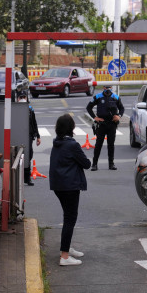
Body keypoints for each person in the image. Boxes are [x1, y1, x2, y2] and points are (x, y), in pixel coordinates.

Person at [49, 114, 92, 266]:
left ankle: (65, 249)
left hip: (58, 185)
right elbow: (86, 164)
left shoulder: (57, 143)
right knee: (70, 219)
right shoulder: (72, 145)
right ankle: (65, 257)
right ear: (72, 128)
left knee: (68, 217)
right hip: (70, 185)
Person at [86, 85, 125, 170]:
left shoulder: (115, 97)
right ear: (103, 88)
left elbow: (122, 108)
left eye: (109, 87)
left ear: (112, 88)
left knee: (111, 145)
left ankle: (111, 164)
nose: (108, 89)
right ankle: (94, 164)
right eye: (106, 87)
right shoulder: (98, 97)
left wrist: (119, 116)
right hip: (101, 124)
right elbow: (89, 107)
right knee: (98, 144)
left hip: (112, 124)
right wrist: (95, 117)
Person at [20, 94, 41, 186]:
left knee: (28, 155)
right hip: (19, 135)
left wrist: (38, 136)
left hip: (29, 135)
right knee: (19, 156)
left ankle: (27, 178)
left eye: (24, 97)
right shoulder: (15, 109)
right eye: (20, 97)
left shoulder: (30, 109)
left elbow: (34, 123)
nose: (22, 99)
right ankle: (21, 177)